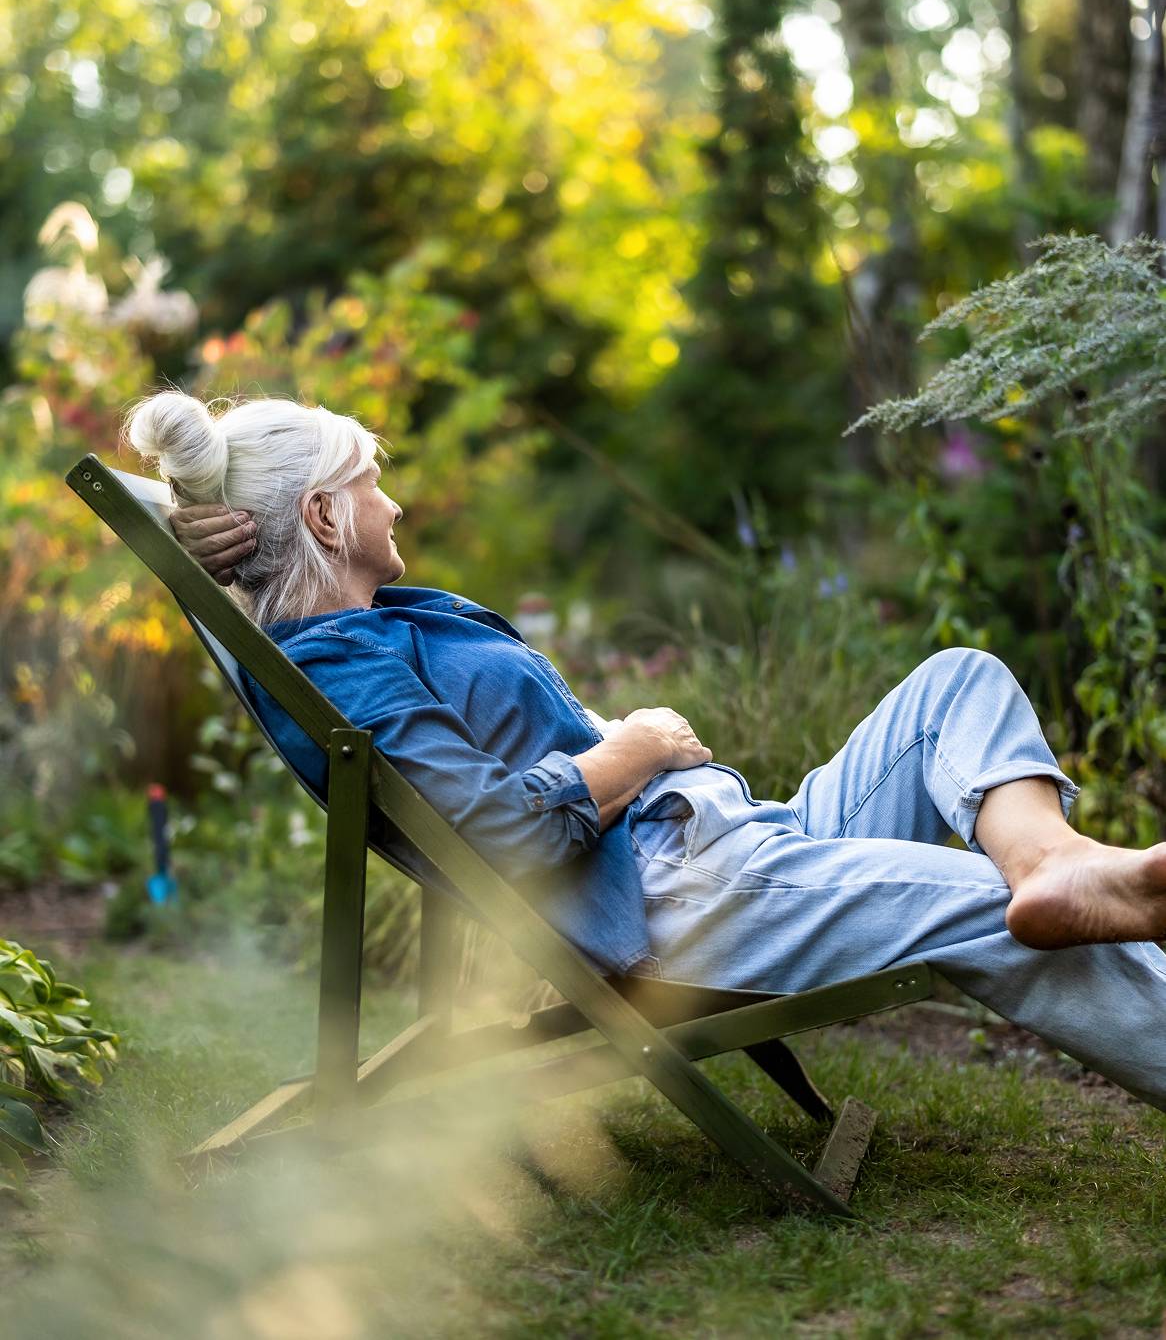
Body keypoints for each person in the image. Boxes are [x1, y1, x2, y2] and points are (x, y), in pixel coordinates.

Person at [124, 390, 1166, 1111]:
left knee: (957, 683)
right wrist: (634, 747)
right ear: (321, 514)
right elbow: (495, 834)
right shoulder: (347, 669)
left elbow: (138, 494)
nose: (392, 501)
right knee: (978, 910)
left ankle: (1051, 864)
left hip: (732, 842)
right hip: (679, 898)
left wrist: (188, 513)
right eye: (368, 483)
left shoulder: (375, 624)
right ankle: (1035, 890)